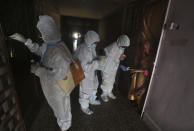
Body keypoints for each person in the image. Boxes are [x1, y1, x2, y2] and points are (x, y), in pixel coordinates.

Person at [10, 15, 72, 131]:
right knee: (60, 107)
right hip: (51, 85)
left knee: (61, 108)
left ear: (48, 33)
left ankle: (65, 126)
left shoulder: (59, 51)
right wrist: (25, 41)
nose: (40, 36)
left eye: (42, 33)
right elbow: (40, 50)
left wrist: (38, 70)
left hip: (58, 87)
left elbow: (59, 75)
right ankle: (63, 123)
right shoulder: (50, 44)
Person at [74, 30, 101, 115]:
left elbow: (93, 58)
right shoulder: (83, 50)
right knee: (85, 91)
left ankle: (92, 100)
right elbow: (84, 67)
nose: (95, 44)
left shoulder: (90, 47)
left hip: (93, 72)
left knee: (94, 87)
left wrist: (99, 60)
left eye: (96, 43)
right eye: (95, 42)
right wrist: (97, 63)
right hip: (85, 75)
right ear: (90, 40)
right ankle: (84, 106)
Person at [100, 35, 130, 102]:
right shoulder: (113, 47)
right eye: (123, 46)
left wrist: (123, 57)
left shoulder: (121, 47)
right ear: (121, 43)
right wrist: (120, 65)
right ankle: (104, 94)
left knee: (112, 79)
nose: (124, 48)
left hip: (114, 67)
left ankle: (109, 92)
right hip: (107, 66)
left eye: (125, 47)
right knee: (106, 79)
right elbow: (110, 58)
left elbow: (121, 56)